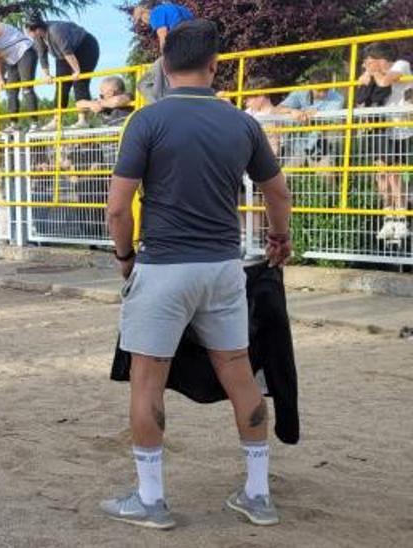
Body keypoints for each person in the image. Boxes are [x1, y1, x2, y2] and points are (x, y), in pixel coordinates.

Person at [102, 20, 293, 530]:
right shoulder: (242, 124)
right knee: (240, 373)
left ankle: (151, 500)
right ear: (215, 67)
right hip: (223, 268)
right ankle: (257, 495)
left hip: (163, 266)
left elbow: (118, 208)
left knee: (147, 383)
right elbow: (278, 193)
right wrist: (279, 239)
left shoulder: (146, 121)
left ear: (165, 67)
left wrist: (125, 259)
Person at [354, 43, 412, 241]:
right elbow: (363, 97)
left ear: (381, 60)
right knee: (381, 174)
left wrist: (372, 73)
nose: (366, 65)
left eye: (370, 61)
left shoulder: (401, 65)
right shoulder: (373, 74)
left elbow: (386, 81)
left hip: (401, 128)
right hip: (381, 129)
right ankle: (388, 216)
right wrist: (367, 77)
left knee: (394, 174)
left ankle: (401, 219)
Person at [28, 15, 100, 130]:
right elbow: (42, 55)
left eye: (28, 31)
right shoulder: (37, 37)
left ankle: (83, 120)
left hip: (85, 46)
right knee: (61, 85)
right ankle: (57, 120)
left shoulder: (55, 30)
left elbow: (67, 52)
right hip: (63, 54)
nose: (27, 34)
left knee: (79, 81)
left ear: (36, 29)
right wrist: (46, 74)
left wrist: (76, 71)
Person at [133, 0, 194, 104]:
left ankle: (162, 107)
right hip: (195, 49)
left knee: (143, 84)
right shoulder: (181, 9)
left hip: (177, 50)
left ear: (145, 13)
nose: (143, 23)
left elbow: (163, 36)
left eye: (141, 19)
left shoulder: (156, 13)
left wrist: (166, 56)